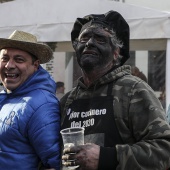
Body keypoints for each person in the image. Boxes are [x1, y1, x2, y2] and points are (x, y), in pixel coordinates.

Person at [60, 11, 170, 170]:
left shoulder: (133, 90)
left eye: (100, 39)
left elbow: (165, 150)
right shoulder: (67, 100)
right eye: (84, 38)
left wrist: (107, 157)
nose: (89, 43)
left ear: (116, 53)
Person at [0, 30, 61, 169]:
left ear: (35, 65)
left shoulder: (42, 104)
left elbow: (55, 163)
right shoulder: (10, 96)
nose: (9, 65)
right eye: (5, 58)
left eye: (19, 59)